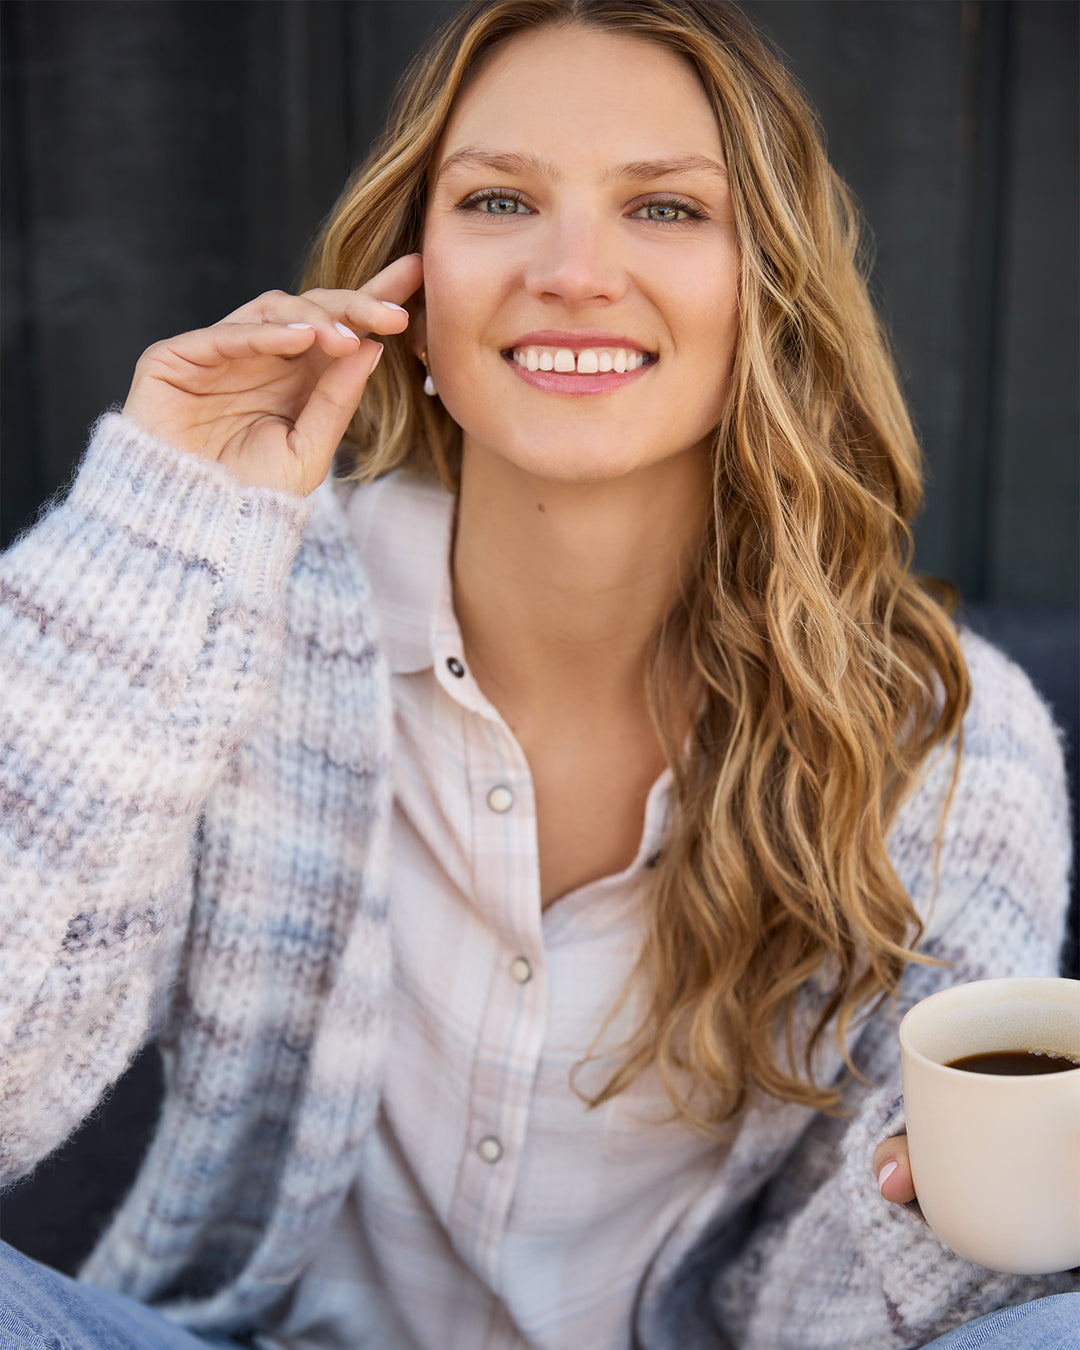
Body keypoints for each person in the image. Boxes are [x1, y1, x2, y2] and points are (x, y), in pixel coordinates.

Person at [0, 1, 1075, 1347]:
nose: (573, 269)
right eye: (500, 198)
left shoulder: (947, 749)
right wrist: (147, 546)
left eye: (668, 210)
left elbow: (852, 1316)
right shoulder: (250, 607)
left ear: (767, 294)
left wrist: (951, 1206)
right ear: (414, 284)